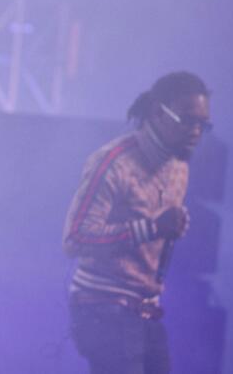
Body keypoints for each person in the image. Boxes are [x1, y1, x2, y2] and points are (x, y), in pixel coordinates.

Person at [62, 71, 212, 374]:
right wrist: (152, 228)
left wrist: (171, 227)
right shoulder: (114, 162)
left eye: (202, 124)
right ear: (158, 112)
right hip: (101, 307)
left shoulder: (179, 166)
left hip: (143, 310)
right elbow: (76, 239)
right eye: (187, 120)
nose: (196, 131)